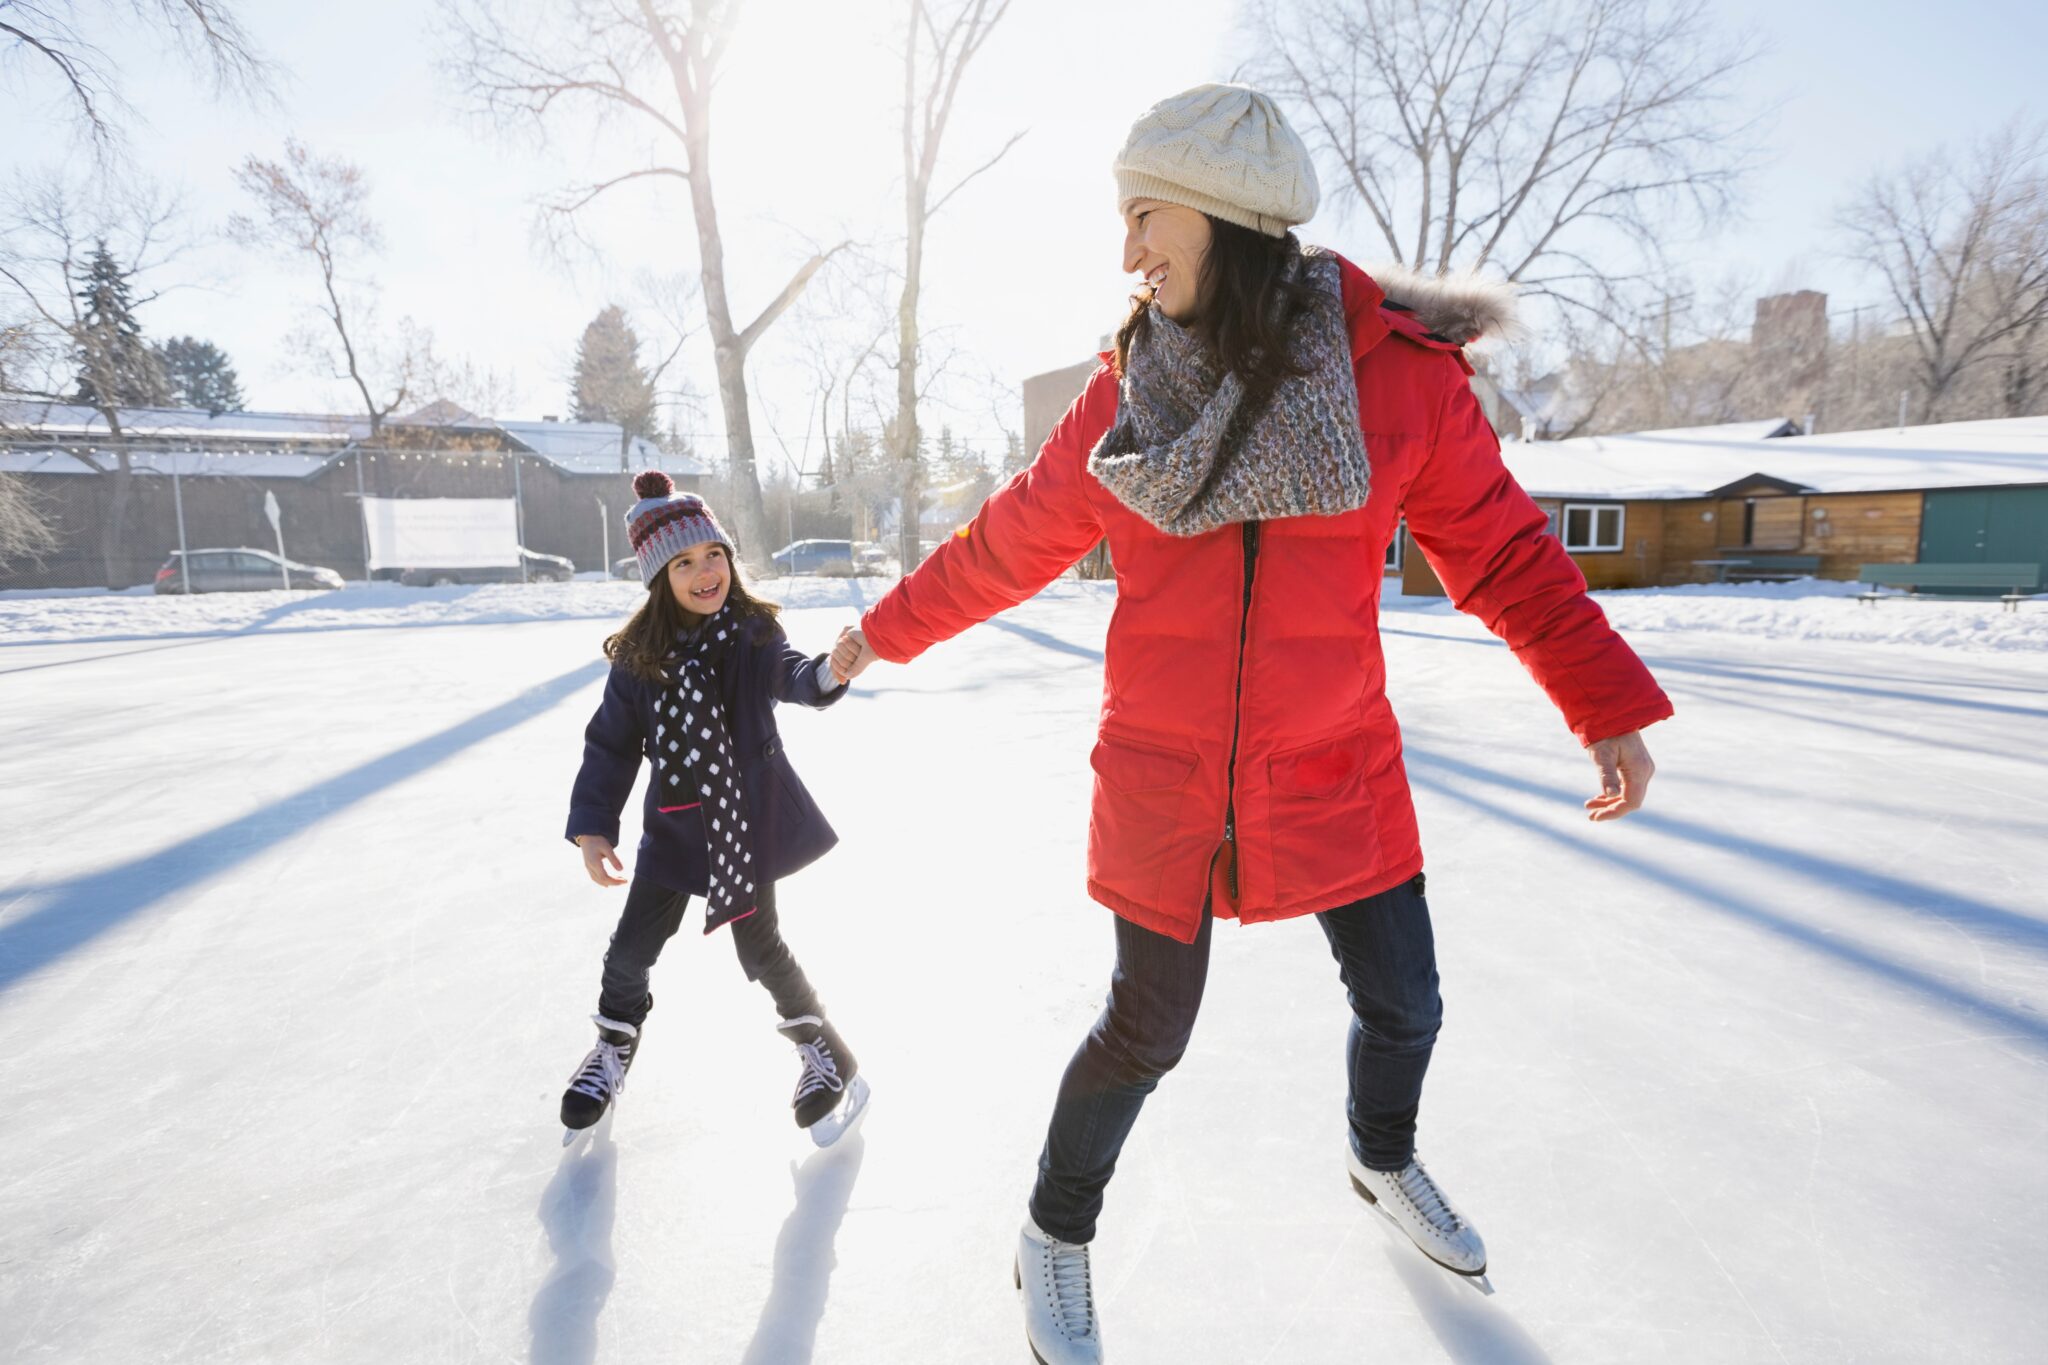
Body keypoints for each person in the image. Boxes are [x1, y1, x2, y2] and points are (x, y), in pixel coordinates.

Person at [835, 83, 1672, 1363]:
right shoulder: (1126, 398)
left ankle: (1379, 1161)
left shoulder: (1396, 381)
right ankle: (1052, 1238)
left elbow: (1501, 552)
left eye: (1143, 216)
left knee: (1407, 1005)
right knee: (1143, 1030)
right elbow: (1006, 543)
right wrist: (872, 634)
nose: (1125, 254)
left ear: (1223, 216)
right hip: (1166, 776)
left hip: (1334, 761)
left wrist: (1601, 702)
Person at [559, 471, 868, 1146]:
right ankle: (612, 1047)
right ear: (657, 577)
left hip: (743, 827)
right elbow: (611, 744)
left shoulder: (751, 635)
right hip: (673, 834)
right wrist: (592, 827)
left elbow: (794, 676)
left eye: (714, 555)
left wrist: (832, 671)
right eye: (685, 562)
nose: (706, 573)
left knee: (761, 952)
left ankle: (825, 1050)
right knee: (630, 950)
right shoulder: (642, 659)